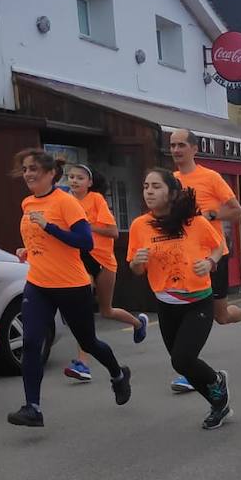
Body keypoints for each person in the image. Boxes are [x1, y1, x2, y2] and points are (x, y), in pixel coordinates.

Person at [8, 149, 131, 427]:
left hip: (71, 285)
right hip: (38, 283)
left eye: (34, 169)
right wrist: (28, 250)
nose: (28, 173)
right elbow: (40, 240)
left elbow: (85, 242)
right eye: (25, 169)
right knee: (30, 343)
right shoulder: (27, 203)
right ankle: (33, 408)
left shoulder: (66, 203)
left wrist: (50, 227)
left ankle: (118, 374)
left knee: (88, 342)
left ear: (51, 174)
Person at [128, 169, 232, 428]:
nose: (149, 191)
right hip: (166, 305)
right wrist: (137, 264)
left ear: (172, 193)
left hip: (198, 302)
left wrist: (210, 262)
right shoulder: (140, 225)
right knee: (183, 364)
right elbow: (136, 268)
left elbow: (219, 245)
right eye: (146, 186)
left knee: (182, 359)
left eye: (156, 187)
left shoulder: (194, 222)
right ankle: (217, 391)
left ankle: (217, 394)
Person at [169, 129, 241, 391]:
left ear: (194, 149)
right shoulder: (171, 180)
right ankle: (188, 366)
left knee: (219, 316)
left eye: (181, 145)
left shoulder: (211, 177)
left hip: (212, 256)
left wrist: (211, 215)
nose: (176, 150)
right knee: (189, 313)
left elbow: (238, 212)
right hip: (183, 258)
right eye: (172, 145)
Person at [62, 164, 148, 383]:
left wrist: (85, 227)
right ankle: (82, 363)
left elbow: (112, 231)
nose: (74, 181)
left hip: (103, 261)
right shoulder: (65, 201)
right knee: (84, 309)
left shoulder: (96, 200)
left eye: (79, 178)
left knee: (107, 311)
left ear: (89, 182)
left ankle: (138, 324)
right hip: (78, 261)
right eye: (71, 177)